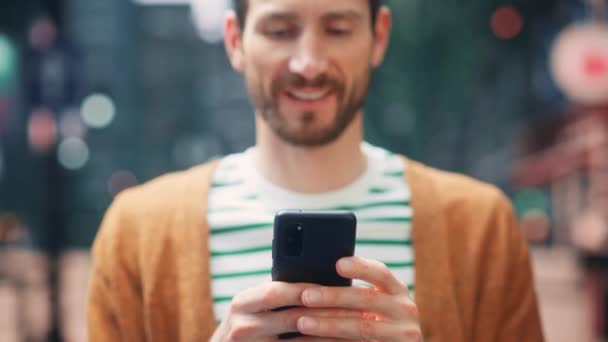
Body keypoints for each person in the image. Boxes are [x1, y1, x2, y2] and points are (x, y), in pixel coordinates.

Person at [87, 0, 545, 340]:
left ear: (379, 37)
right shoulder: (137, 233)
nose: (309, 64)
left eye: (339, 29)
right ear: (234, 40)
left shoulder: (481, 226)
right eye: (280, 30)